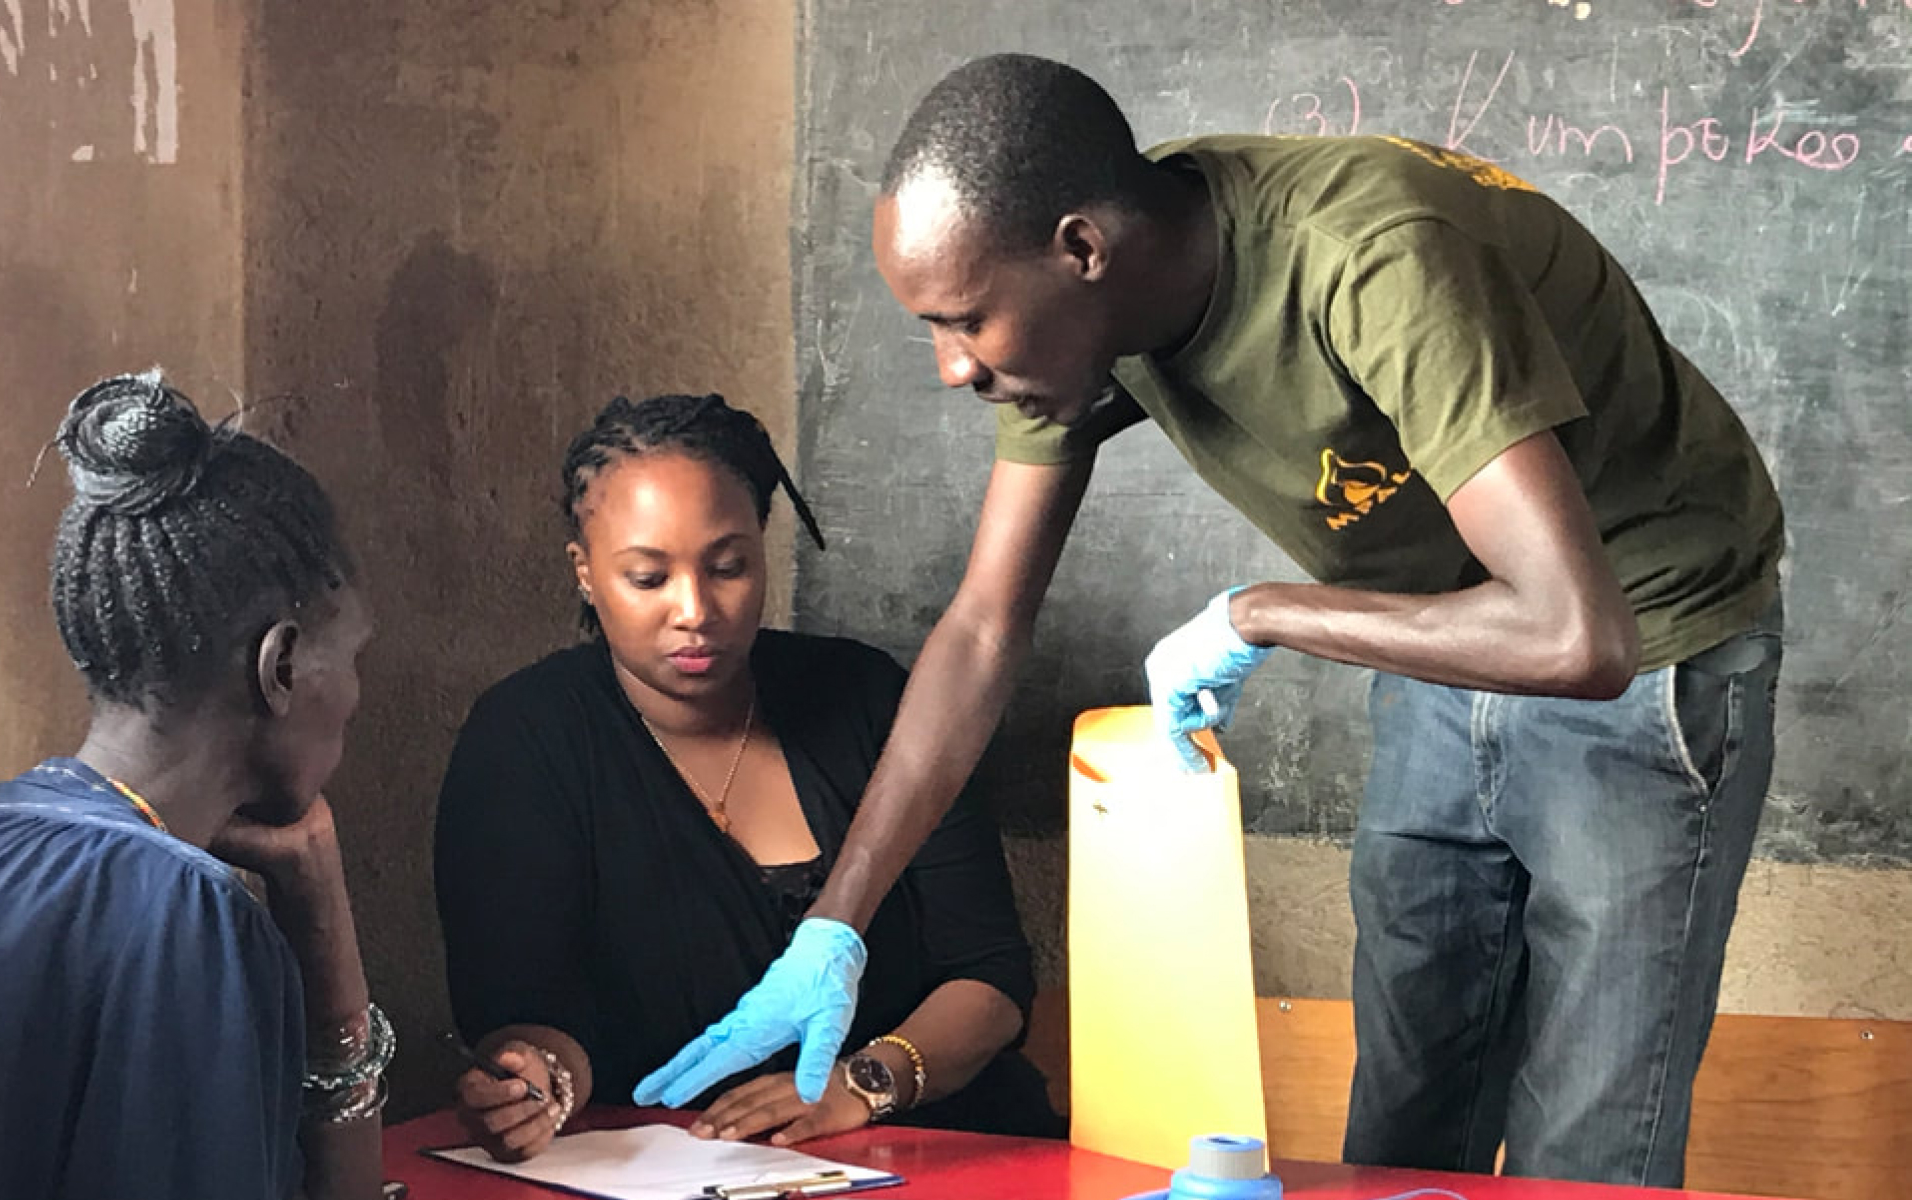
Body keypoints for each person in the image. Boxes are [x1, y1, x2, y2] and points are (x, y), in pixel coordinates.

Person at [637, 54, 1786, 1189]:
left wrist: (1260, 612)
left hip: (1646, 632)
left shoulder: (1370, 260)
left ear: (1082, 250)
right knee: (1405, 1119)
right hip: (1452, 629)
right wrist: (833, 930)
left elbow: (1577, 639)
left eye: (966, 319)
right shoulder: (1083, 314)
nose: (952, 366)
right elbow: (983, 628)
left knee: (1585, 1146)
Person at [434, 392, 1061, 1162]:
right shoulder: (526, 740)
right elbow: (534, 1017)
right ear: (586, 573)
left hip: (943, 1149)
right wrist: (540, 1082)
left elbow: (991, 977)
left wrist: (866, 1083)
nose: (695, 609)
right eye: (648, 577)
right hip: (681, 1169)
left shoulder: (870, 701)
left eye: (727, 566)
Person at [0, 372, 386, 1200]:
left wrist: (314, 886)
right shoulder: (186, 922)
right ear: (283, 666)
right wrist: (331, 965)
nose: (358, 697)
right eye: (354, 656)